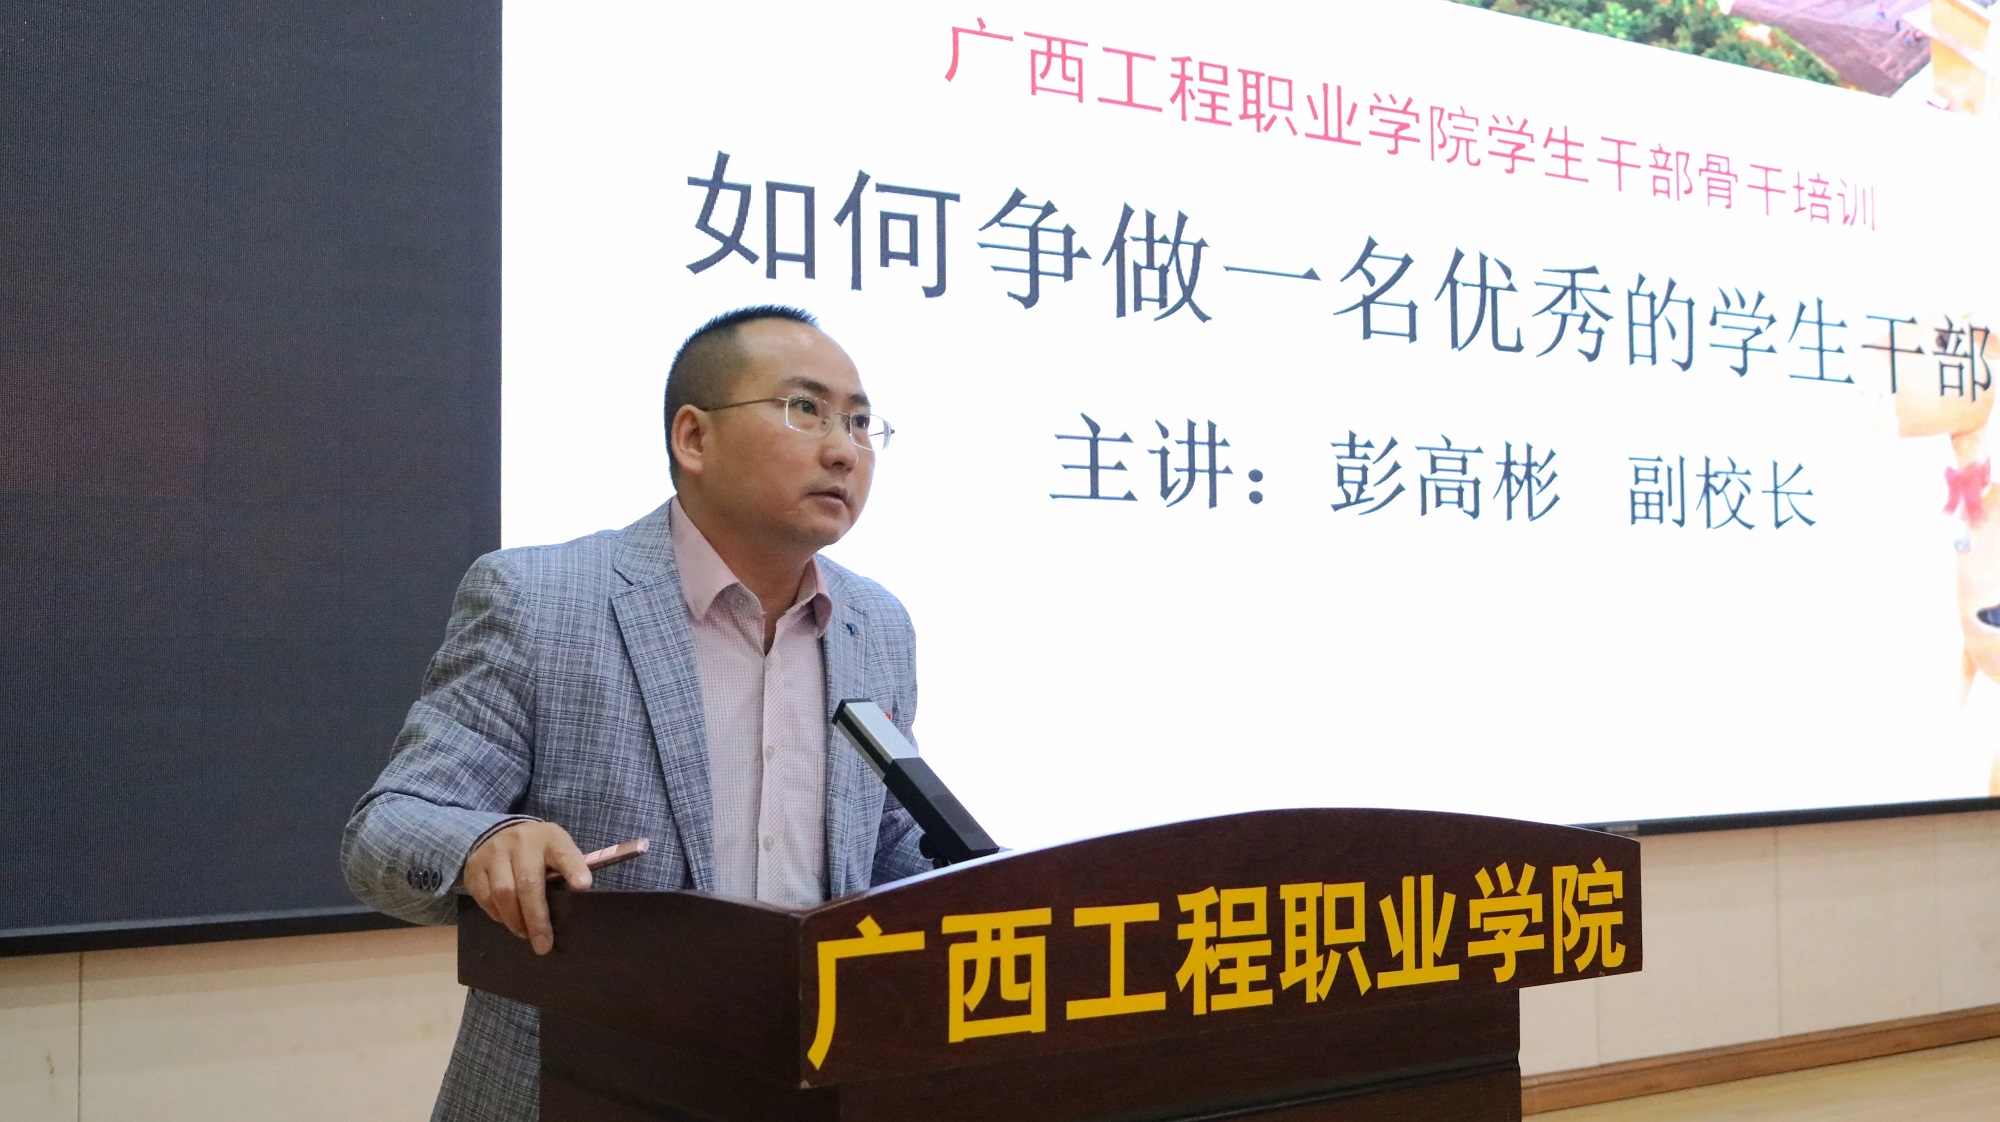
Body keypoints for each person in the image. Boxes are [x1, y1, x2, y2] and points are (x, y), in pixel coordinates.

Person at [340, 305, 931, 1122]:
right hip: (578, 1090)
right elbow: (385, 831)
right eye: (806, 409)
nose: (844, 449)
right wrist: (485, 844)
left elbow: (889, 843)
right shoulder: (541, 601)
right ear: (694, 438)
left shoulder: (878, 626)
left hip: (807, 1087)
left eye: (861, 424)